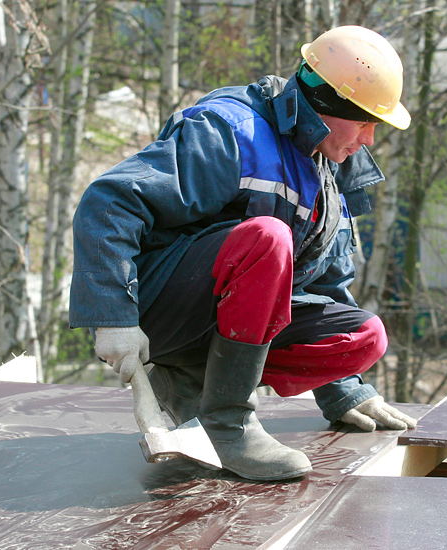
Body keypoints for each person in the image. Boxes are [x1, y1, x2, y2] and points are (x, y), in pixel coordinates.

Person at [70, 25, 417, 482]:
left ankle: (195, 382)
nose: (370, 139)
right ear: (331, 104)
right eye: (366, 121)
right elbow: (110, 201)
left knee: (364, 336)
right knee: (268, 239)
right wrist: (114, 315)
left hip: (236, 322)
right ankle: (226, 422)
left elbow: (326, 286)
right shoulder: (230, 130)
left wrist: (346, 390)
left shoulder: (332, 172)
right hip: (164, 310)